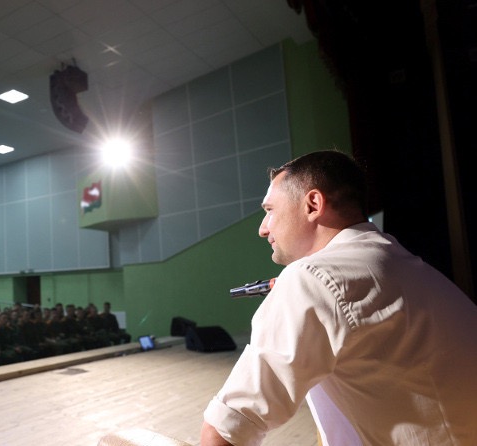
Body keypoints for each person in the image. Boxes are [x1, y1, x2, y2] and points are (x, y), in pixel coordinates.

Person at [200, 150, 477, 445]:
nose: (263, 228)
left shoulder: (311, 278)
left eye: (270, 210)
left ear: (313, 204)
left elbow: (225, 431)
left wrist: (306, 286)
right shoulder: (401, 263)